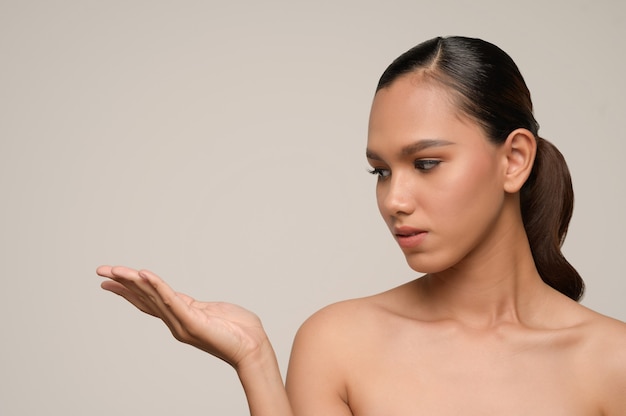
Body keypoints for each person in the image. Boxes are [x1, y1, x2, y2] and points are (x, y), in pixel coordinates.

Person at [97, 36, 626, 415]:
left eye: (425, 163)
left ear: (513, 160)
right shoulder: (339, 344)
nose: (393, 200)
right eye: (380, 171)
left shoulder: (611, 361)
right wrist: (254, 361)